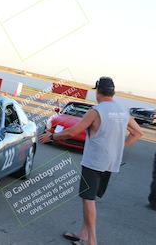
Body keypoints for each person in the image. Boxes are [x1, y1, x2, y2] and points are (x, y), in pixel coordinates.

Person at [39, 77, 143, 245]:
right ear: (113, 92)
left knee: (88, 199)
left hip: (94, 162)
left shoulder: (97, 111)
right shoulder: (122, 112)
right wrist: (119, 147)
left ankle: (92, 240)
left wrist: (51, 136)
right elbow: (138, 133)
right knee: (92, 198)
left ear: (98, 91)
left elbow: (73, 132)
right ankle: (83, 235)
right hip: (110, 163)